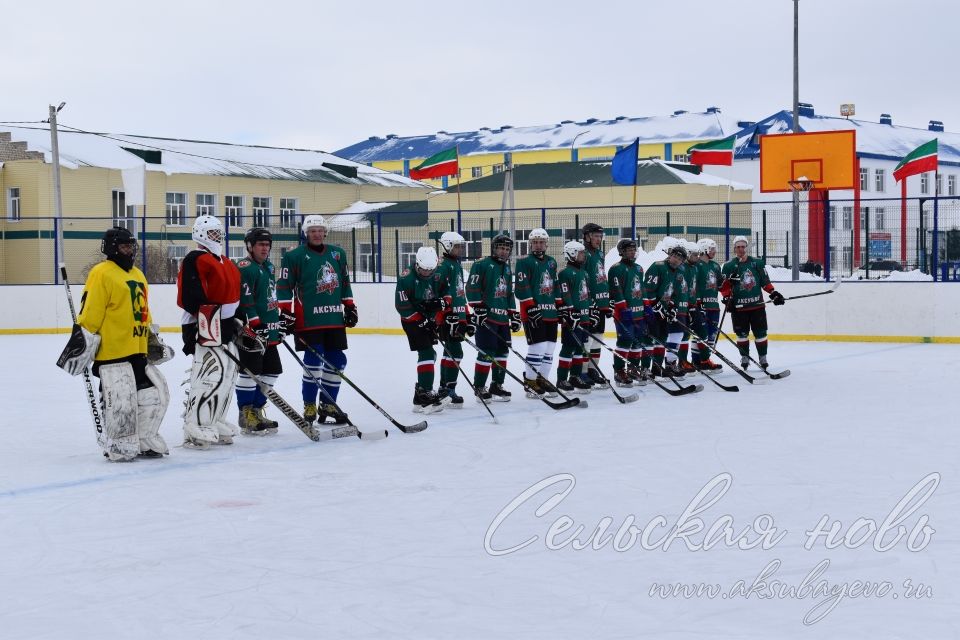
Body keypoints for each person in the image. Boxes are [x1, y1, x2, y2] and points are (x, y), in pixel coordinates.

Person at [57, 226, 172, 461]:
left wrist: (151, 336)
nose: (129, 251)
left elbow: (143, 310)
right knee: (120, 399)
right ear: (111, 248)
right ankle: (119, 442)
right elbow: (91, 312)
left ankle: (143, 438)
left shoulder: (138, 274)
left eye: (131, 246)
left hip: (137, 349)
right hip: (112, 352)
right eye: (124, 246)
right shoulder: (102, 272)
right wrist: (83, 341)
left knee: (151, 394)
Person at [277, 215, 356, 425]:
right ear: (306, 233)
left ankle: (328, 404)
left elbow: (344, 282)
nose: (317, 234)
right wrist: (285, 312)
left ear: (325, 232)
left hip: (333, 318)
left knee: (338, 361)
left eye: (320, 230)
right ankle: (309, 403)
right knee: (314, 361)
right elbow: (284, 286)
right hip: (308, 319)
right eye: (313, 231)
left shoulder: (337, 254)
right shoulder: (294, 256)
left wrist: (349, 305)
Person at [178, 214, 242, 449]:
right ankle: (195, 422)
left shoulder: (224, 260)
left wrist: (238, 317)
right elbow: (191, 297)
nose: (218, 237)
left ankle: (214, 418)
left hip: (224, 324)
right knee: (210, 372)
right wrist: (202, 325)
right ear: (201, 234)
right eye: (214, 233)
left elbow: (234, 294)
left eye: (219, 232)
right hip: (204, 323)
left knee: (228, 373)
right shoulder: (195, 259)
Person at [234, 227, 282, 435]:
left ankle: (256, 409)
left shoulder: (269, 267)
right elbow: (246, 300)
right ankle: (245, 414)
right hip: (251, 331)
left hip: (268, 329)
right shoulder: (245, 267)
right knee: (250, 372)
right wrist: (255, 323)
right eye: (261, 244)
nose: (265, 248)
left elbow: (269, 298)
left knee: (272, 371)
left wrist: (277, 323)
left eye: (267, 244)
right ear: (250, 246)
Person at [720, 236, 785, 370]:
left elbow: (764, 281)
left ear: (746, 248)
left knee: (760, 333)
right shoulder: (728, 266)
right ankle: (744, 357)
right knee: (741, 335)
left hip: (757, 306)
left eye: (743, 246)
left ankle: (763, 357)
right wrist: (727, 298)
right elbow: (724, 286)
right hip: (739, 308)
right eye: (738, 247)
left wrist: (773, 293)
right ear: (734, 249)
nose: (741, 249)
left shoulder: (757, 263)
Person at [466, 233, 518, 402]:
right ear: (494, 248)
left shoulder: (508, 268)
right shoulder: (481, 264)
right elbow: (471, 288)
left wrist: (513, 314)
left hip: (503, 319)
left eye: (507, 249)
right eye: (501, 248)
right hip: (487, 318)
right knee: (486, 353)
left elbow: (509, 294)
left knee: (502, 353)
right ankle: (480, 387)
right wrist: (478, 308)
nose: (504, 252)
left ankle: (497, 385)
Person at [396, 247, 446, 413]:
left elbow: (446, 293)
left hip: (428, 319)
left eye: (430, 270)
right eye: (424, 270)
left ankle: (419, 398)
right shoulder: (406, 278)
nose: (427, 273)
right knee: (426, 352)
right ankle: (424, 392)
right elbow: (402, 306)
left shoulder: (437, 274)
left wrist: (439, 307)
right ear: (417, 265)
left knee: (431, 354)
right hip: (411, 320)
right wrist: (421, 320)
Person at [514, 228, 560, 398]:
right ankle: (531, 381)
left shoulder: (551, 262)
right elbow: (521, 288)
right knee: (538, 347)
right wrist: (531, 306)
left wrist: (560, 306)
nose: (538, 245)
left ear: (546, 244)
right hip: (533, 313)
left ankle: (543, 380)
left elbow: (555, 286)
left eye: (541, 242)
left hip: (551, 313)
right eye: (535, 242)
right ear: (530, 244)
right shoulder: (523, 262)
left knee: (549, 348)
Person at [434, 231, 470, 407]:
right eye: (457, 246)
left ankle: (443, 387)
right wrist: (446, 315)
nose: (460, 249)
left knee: (449, 352)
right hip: (448, 318)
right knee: (456, 352)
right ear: (447, 246)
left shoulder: (455, 264)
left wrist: (467, 315)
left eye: (461, 246)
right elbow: (438, 294)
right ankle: (449, 389)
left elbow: (459, 293)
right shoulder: (443, 266)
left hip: (458, 315)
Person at [607, 238, 649, 387]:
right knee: (624, 342)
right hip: (623, 313)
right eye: (629, 250)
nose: (632, 252)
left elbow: (642, 288)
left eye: (633, 249)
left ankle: (632, 368)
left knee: (638, 342)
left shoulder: (638, 268)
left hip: (638, 312)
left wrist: (647, 305)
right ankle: (619, 371)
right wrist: (622, 308)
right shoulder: (616, 268)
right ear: (622, 252)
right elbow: (616, 291)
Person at [643, 243, 689, 378]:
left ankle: (657, 368)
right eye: (674, 256)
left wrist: (672, 307)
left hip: (662, 309)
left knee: (661, 338)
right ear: (670, 255)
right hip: (650, 309)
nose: (676, 259)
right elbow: (648, 290)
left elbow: (674, 293)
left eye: (679, 258)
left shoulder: (680, 272)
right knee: (649, 339)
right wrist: (656, 306)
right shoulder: (657, 267)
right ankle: (645, 368)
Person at [555, 240, 595, 393]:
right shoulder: (564, 273)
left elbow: (587, 294)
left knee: (581, 348)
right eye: (580, 253)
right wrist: (570, 312)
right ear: (571, 254)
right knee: (568, 347)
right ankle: (562, 379)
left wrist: (592, 310)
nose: (583, 255)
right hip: (572, 318)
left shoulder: (584, 272)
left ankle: (575, 376)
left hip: (584, 317)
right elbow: (565, 294)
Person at [580, 223, 611, 386]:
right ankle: (582, 371)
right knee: (587, 340)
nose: (599, 239)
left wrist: (606, 300)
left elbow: (600, 277)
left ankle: (593, 370)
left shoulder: (599, 253)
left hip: (600, 302)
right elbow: (582, 278)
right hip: (588, 303)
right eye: (596, 236)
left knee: (598, 338)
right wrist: (588, 301)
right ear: (587, 236)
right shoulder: (583, 253)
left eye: (600, 236)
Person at [695, 238, 723, 370]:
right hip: (701, 305)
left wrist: (731, 282)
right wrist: (697, 302)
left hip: (714, 306)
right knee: (700, 335)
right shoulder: (696, 265)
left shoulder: (716, 266)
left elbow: (721, 285)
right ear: (704, 249)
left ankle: (704, 360)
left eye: (714, 249)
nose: (714, 251)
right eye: (712, 249)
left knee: (711, 336)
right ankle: (698, 361)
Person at [677, 240, 701, 373]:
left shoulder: (695, 267)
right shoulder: (682, 268)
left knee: (688, 335)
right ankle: (680, 362)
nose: (697, 257)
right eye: (695, 255)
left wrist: (695, 303)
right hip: (682, 306)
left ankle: (685, 361)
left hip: (691, 305)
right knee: (682, 335)